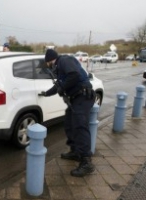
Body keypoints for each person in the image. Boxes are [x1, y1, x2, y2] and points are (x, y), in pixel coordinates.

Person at [39, 49, 96, 177]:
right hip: (76, 99)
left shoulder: (65, 60)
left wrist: (62, 87)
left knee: (80, 127)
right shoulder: (59, 69)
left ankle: (87, 162)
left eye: (47, 63)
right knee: (69, 124)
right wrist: (46, 93)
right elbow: (58, 85)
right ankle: (75, 151)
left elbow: (74, 75)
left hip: (83, 96)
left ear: (50, 60)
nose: (48, 66)